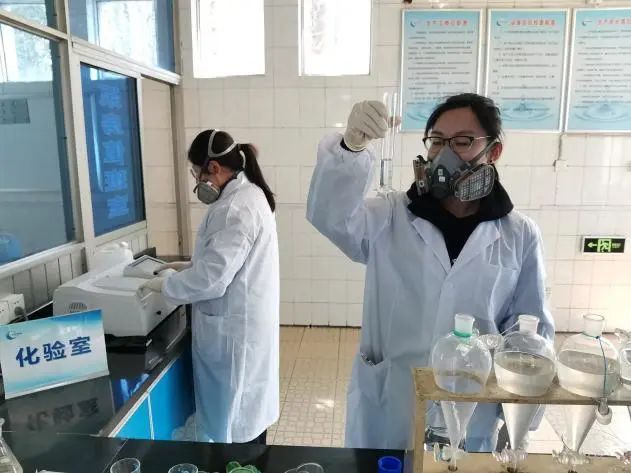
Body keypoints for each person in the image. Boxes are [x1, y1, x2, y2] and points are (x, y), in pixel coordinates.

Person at [306, 94, 554, 451]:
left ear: (494, 152)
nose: (445, 154)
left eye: (463, 141)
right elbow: (330, 217)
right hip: (392, 399)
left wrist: (521, 418)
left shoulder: (519, 234)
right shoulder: (391, 215)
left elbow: (530, 331)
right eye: (437, 140)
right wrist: (351, 148)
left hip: (471, 409)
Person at [140, 129, 280, 444]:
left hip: (233, 335)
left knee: (235, 422)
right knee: (243, 418)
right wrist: (187, 267)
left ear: (213, 168)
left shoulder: (235, 208)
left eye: (197, 173)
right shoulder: (248, 195)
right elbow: (224, 262)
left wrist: (167, 284)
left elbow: (212, 280)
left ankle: (240, 462)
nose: (198, 181)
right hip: (243, 326)